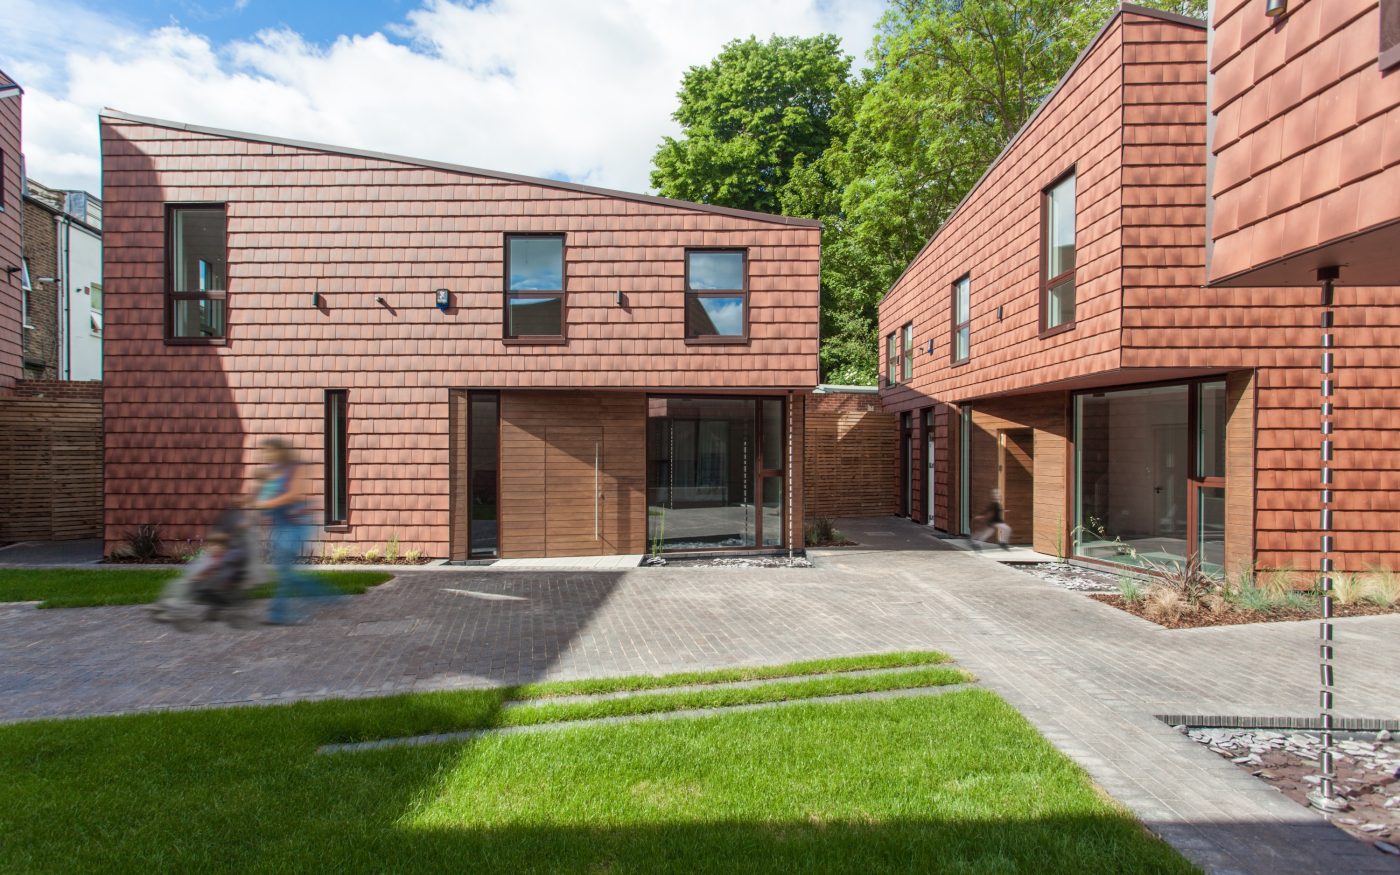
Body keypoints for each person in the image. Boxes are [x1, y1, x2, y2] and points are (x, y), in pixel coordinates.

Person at [252, 438, 340, 624]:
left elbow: (294, 494)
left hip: (296, 526)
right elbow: (263, 496)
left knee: (285, 572)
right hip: (280, 526)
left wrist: (264, 503)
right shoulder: (273, 472)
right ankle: (328, 596)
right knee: (285, 572)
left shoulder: (296, 467)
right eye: (264, 452)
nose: (266, 456)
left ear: (280, 451)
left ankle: (280, 614)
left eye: (269, 451)